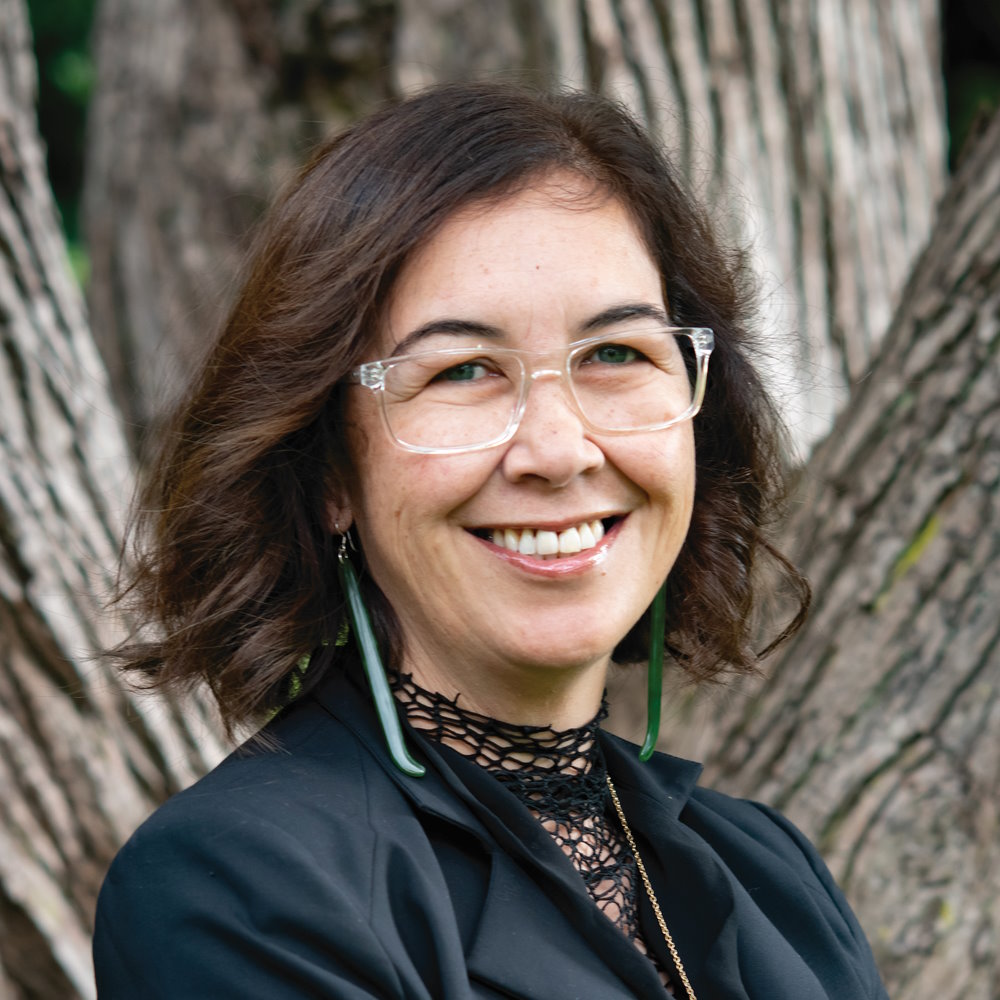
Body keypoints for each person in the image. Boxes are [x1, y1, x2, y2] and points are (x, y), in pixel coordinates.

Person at [93, 82, 888, 999]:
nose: (559, 451)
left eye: (616, 355)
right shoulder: (235, 887)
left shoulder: (778, 880)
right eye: (464, 370)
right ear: (328, 477)